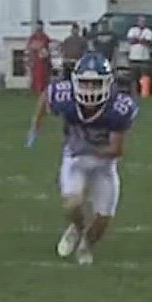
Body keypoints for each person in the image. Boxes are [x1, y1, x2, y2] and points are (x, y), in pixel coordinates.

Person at [28, 52, 136, 266]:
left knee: (103, 219)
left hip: (104, 164)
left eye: (96, 84)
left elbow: (116, 150)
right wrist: (35, 126)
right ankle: (76, 227)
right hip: (75, 160)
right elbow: (45, 97)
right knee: (72, 204)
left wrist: (90, 149)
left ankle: (86, 242)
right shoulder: (64, 96)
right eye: (85, 83)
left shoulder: (118, 108)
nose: (90, 90)